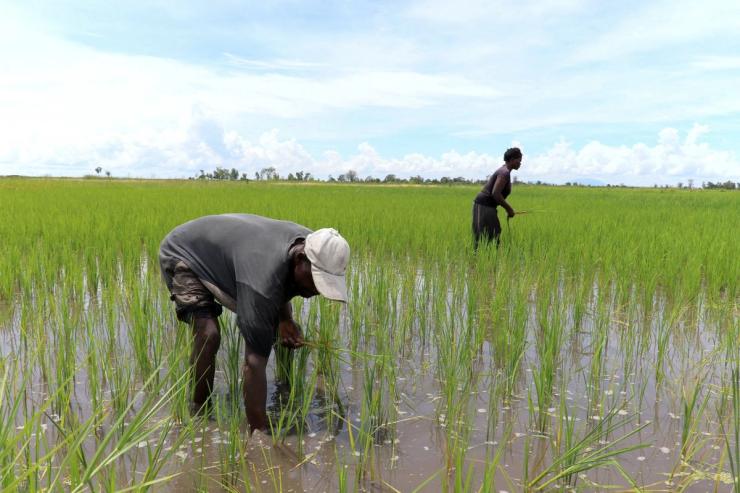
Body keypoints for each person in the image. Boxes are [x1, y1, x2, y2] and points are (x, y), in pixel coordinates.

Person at [158, 214, 350, 434]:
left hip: (238, 252)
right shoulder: (262, 282)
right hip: (184, 252)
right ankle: (199, 410)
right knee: (208, 334)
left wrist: (285, 319)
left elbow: (281, 280)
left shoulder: (317, 246)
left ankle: (284, 387)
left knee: (280, 328)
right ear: (300, 260)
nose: (318, 290)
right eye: (317, 280)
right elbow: (253, 363)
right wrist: (260, 431)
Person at [472, 147, 522, 249]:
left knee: (491, 236)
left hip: (486, 206)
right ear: (512, 160)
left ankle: (486, 262)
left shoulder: (504, 171)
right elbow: (496, 193)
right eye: (519, 160)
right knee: (487, 238)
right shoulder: (504, 172)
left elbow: (497, 195)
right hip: (484, 206)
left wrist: (508, 209)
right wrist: (509, 209)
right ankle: (480, 262)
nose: (520, 163)